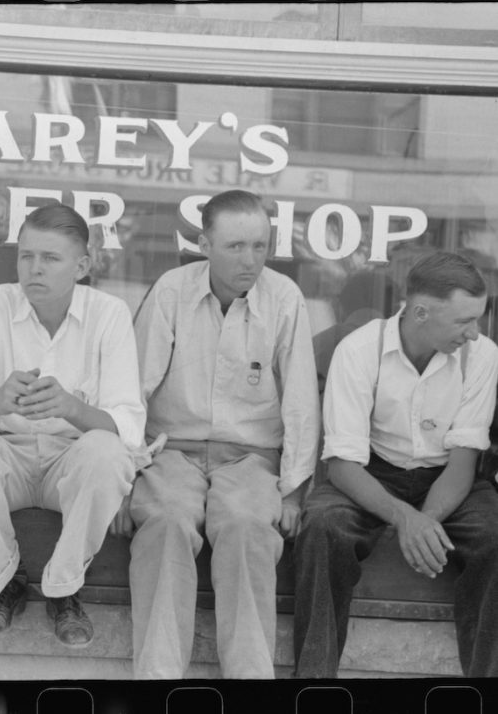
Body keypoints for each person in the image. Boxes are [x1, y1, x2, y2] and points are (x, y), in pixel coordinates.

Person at [0, 203, 145, 646]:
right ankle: (6, 580)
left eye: (50, 258)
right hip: (5, 460)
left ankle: (64, 588)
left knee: (108, 452)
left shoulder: (109, 313)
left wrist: (72, 408)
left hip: (70, 467)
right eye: (26, 256)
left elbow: (129, 428)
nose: (34, 268)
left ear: (82, 266)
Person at [127, 189, 320, 679]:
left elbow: (301, 401)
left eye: (259, 246)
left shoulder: (284, 298)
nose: (250, 260)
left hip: (251, 457)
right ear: (204, 245)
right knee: (166, 522)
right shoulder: (171, 291)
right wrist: (121, 478)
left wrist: (293, 491)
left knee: (247, 527)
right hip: (173, 450)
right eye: (235, 246)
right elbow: (133, 391)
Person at [294, 251, 498, 678]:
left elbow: (464, 462)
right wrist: (404, 518)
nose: (474, 333)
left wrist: (424, 522)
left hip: (448, 476)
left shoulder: (483, 356)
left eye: (478, 319)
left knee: (494, 537)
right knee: (323, 527)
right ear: (420, 313)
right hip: (371, 470)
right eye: (464, 321)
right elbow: (343, 465)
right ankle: (313, 682)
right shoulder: (358, 351)